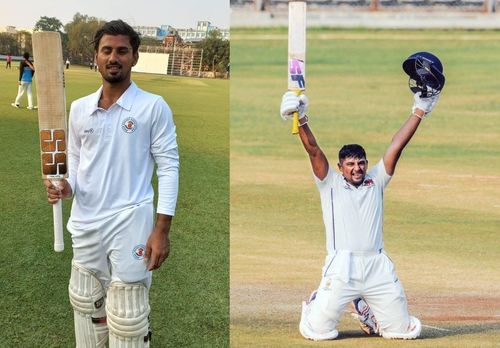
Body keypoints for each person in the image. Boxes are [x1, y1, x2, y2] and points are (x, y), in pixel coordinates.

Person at [44, 20, 179, 347]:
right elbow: (75, 160)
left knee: (128, 314)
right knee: (85, 301)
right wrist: (66, 187)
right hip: (86, 222)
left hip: (131, 221)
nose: (113, 57)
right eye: (107, 50)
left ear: (135, 56)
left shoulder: (152, 107)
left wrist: (161, 230)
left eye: (122, 51)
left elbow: (169, 167)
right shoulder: (79, 109)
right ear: (96, 56)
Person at [279, 88, 440, 340]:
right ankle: (316, 303)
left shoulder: (376, 180)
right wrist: (300, 118)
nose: (357, 168)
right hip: (342, 267)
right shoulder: (329, 183)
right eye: (351, 164)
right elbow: (313, 150)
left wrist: (420, 109)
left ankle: (366, 310)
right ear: (340, 167)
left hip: (377, 267)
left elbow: (397, 145)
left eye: (361, 162)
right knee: (319, 333)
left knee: (401, 332)